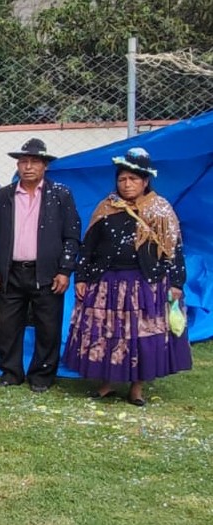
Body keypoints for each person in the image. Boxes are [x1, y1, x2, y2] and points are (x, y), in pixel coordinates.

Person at [64, 147, 191, 406]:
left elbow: (174, 249)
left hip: (145, 283)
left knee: (139, 335)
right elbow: (89, 246)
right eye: (122, 179)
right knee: (108, 333)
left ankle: (136, 389)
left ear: (145, 181)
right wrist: (82, 278)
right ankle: (106, 385)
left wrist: (176, 283)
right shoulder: (106, 208)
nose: (127, 184)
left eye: (133, 179)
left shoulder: (160, 210)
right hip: (107, 283)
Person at [0, 139, 81, 393]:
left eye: (34, 162)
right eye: (24, 162)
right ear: (17, 165)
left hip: (47, 272)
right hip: (11, 271)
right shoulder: (2, 197)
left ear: (45, 166)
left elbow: (72, 235)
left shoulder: (60, 195)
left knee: (48, 325)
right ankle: (11, 372)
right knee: (7, 325)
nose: (28, 167)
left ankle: (42, 375)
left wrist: (65, 270)